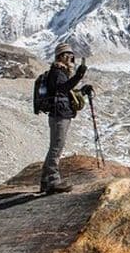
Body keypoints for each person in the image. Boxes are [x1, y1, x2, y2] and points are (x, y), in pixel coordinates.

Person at [40, 42, 94, 194]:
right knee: (56, 147)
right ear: (61, 56)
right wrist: (79, 76)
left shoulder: (60, 72)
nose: (71, 58)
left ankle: (45, 181)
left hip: (60, 113)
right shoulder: (57, 72)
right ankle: (53, 181)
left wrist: (82, 91)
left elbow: (66, 92)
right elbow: (62, 89)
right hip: (59, 114)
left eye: (72, 55)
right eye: (68, 55)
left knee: (55, 146)